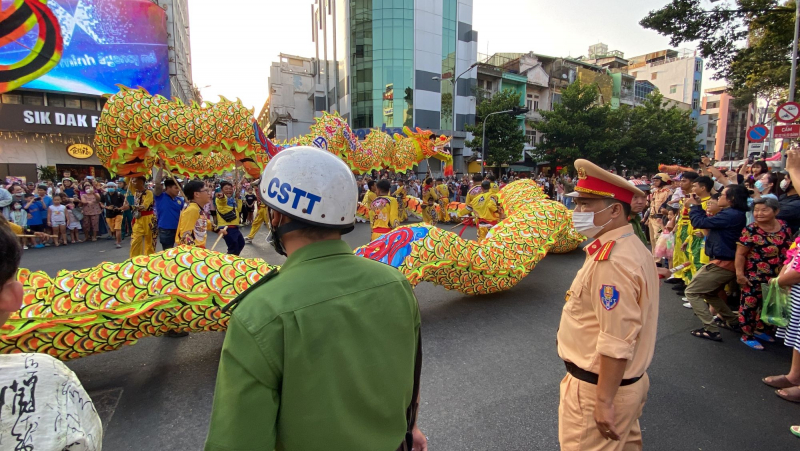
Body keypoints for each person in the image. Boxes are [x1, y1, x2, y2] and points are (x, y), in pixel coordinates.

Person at [205, 147, 425, 451]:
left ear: (277, 216)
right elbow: (412, 374)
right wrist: (412, 427)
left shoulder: (258, 312)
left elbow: (238, 440)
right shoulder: (397, 283)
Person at [558, 159, 658, 450]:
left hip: (598, 389)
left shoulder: (612, 261)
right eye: (577, 204)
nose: (577, 212)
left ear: (615, 210)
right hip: (626, 384)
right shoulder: (630, 245)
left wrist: (603, 401)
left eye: (586, 204)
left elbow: (616, 339)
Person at [684, 185, 749, 342]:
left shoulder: (731, 215)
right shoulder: (733, 214)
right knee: (709, 292)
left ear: (731, 199)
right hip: (723, 260)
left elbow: (700, 222)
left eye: (722, 195)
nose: (718, 197)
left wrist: (694, 207)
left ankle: (711, 329)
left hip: (723, 262)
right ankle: (732, 321)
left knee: (692, 292)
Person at [735, 197, 792, 350]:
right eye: (756, 210)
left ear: (776, 211)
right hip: (754, 275)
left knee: (771, 303)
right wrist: (740, 274)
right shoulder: (751, 230)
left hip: (778, 275)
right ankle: (747, 335)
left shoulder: (784, 226)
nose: (759, 213)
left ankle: (762, 330)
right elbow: (740, 254)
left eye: (764, 210)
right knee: (749, 305)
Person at [153, 168, 185, 250]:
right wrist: (161, 167)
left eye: (179, 188)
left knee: (180, 251)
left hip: (179, 230)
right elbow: (157, 183)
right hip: (165, 230)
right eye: (176, 188)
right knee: (168, 252)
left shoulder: (180, 200)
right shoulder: (160, 196)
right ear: (168, 187)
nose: (178, 190)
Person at [124, 176, 156, 258]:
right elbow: (127, 180)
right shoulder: (135, 191)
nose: (133, 183)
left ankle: (149, 259)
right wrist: (133, 173)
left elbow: (144, 206)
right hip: (138, 219)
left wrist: (130, 207)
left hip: (149, 219)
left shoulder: (149, 193)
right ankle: (134, 259)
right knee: (135, 240)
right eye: (133, 181)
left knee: (149, 242)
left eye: (135, 181)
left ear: (141, 182)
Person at [215, 181, 245, 255]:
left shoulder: (232, 199)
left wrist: (239, 198)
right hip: (227, 228)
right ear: (222, 190)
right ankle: (230, 260)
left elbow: (239, 210)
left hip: (235, 227)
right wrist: (222, 196)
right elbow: (222, 200)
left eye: (230, 189)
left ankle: (233, 258)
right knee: (233, 247)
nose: (229, 190)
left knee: (241, 243)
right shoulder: (220, 199)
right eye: (226, 189)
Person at [648, 174, 673, 257]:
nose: (654, 182)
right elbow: (652, 205)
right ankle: (654, 258)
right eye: (654, 180)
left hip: (660, 218)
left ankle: (658, 259)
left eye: (657, 180)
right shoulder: (655, 192)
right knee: (652, 240)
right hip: (651, 218)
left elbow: (668, 206)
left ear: (664, 181)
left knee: (658, 239)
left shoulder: (667, 192)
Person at [103, 182, 126, 249]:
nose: (110, 188)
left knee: (117, 228)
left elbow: (125, 203)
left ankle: (118, 242)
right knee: (113, 230)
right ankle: (118, 239)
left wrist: (120, 208)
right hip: (109, 214)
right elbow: (101, 203)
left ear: (115, 187)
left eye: (112, 187)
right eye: (109, 187)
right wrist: (107, 207)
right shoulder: (104, 195)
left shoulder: (119, 194)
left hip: (118, 213)